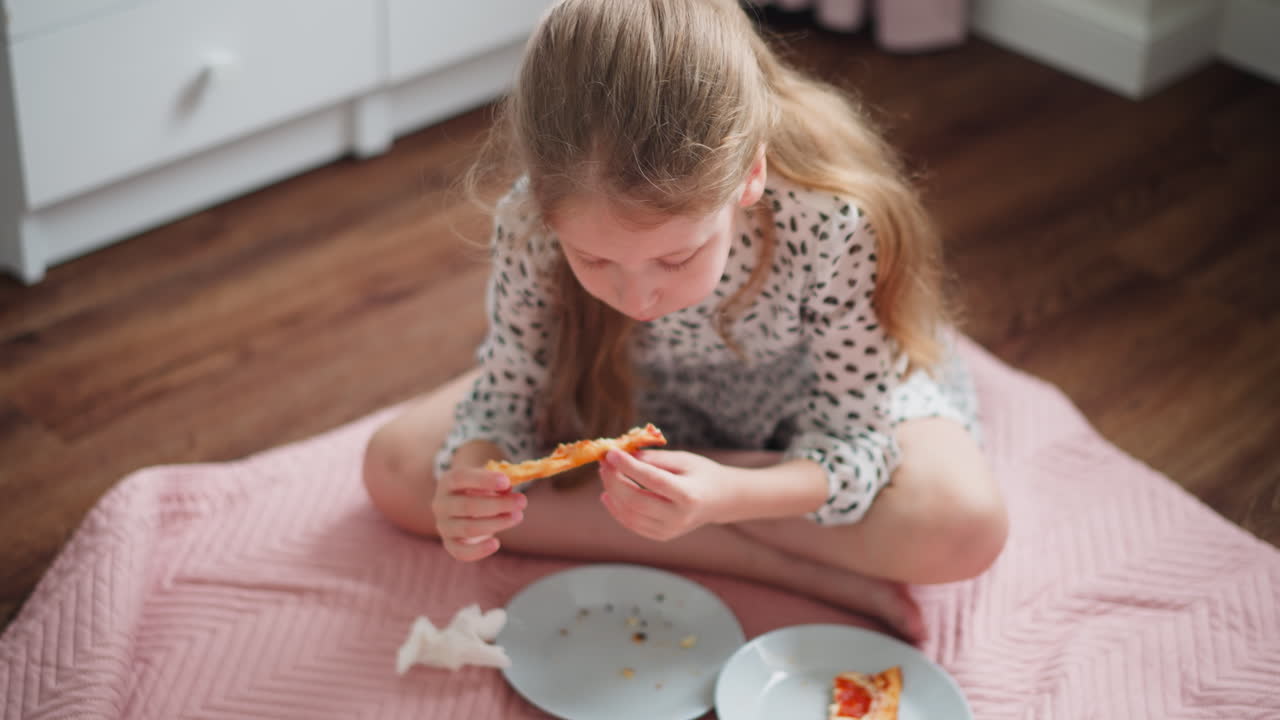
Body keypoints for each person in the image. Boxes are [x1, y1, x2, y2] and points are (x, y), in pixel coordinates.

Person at [362, 0, 1007, 641]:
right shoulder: (530, 220)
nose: (638, 297)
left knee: (965, 523)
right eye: (592, 258)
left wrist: (727, 495)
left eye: (677, 257)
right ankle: (789, 568)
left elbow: (854, 438)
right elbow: (506, 395)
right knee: (397, 470)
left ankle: (681, 518)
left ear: (749, 175)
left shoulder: (832, 220)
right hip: (626, 401)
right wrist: (476, 475)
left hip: (801, 415)